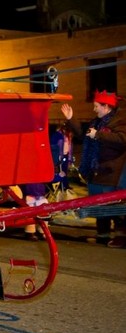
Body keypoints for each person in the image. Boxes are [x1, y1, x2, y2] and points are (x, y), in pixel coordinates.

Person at [61, 90, 126, 248]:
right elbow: (84, 135)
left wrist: (99, 135)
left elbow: (122, 139)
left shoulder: (120, 121)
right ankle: (102, 234)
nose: (94, 109)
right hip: (95, 170)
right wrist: (71, 119)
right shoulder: (96, 122)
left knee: (114, 204)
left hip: (112, 172)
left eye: (97, 106)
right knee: (98, 203)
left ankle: (121, 236)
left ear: (106, 107)